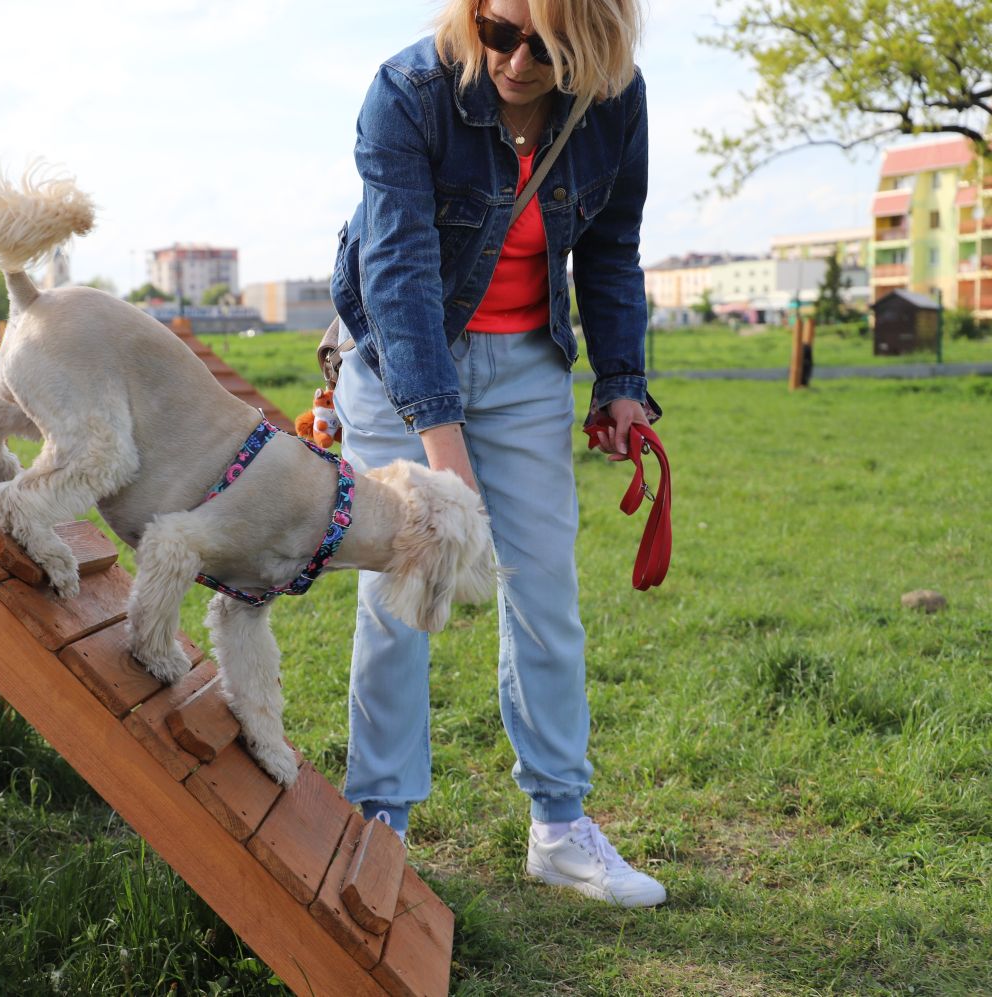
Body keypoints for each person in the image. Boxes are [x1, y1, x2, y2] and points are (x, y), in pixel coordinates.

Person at [328, 0, 666, 907]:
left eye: (544, 45)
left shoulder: (613, 103)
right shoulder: (406, 91)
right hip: (401, 362)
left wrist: (621, 380)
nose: (515, 59)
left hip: (523, 366)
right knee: (407, 581)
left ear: (588, 45)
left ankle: (560, 826)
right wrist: (443, 451)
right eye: (497, 29)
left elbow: (611, 247)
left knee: (545, 587)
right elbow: (394, 274)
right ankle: (382, 821)